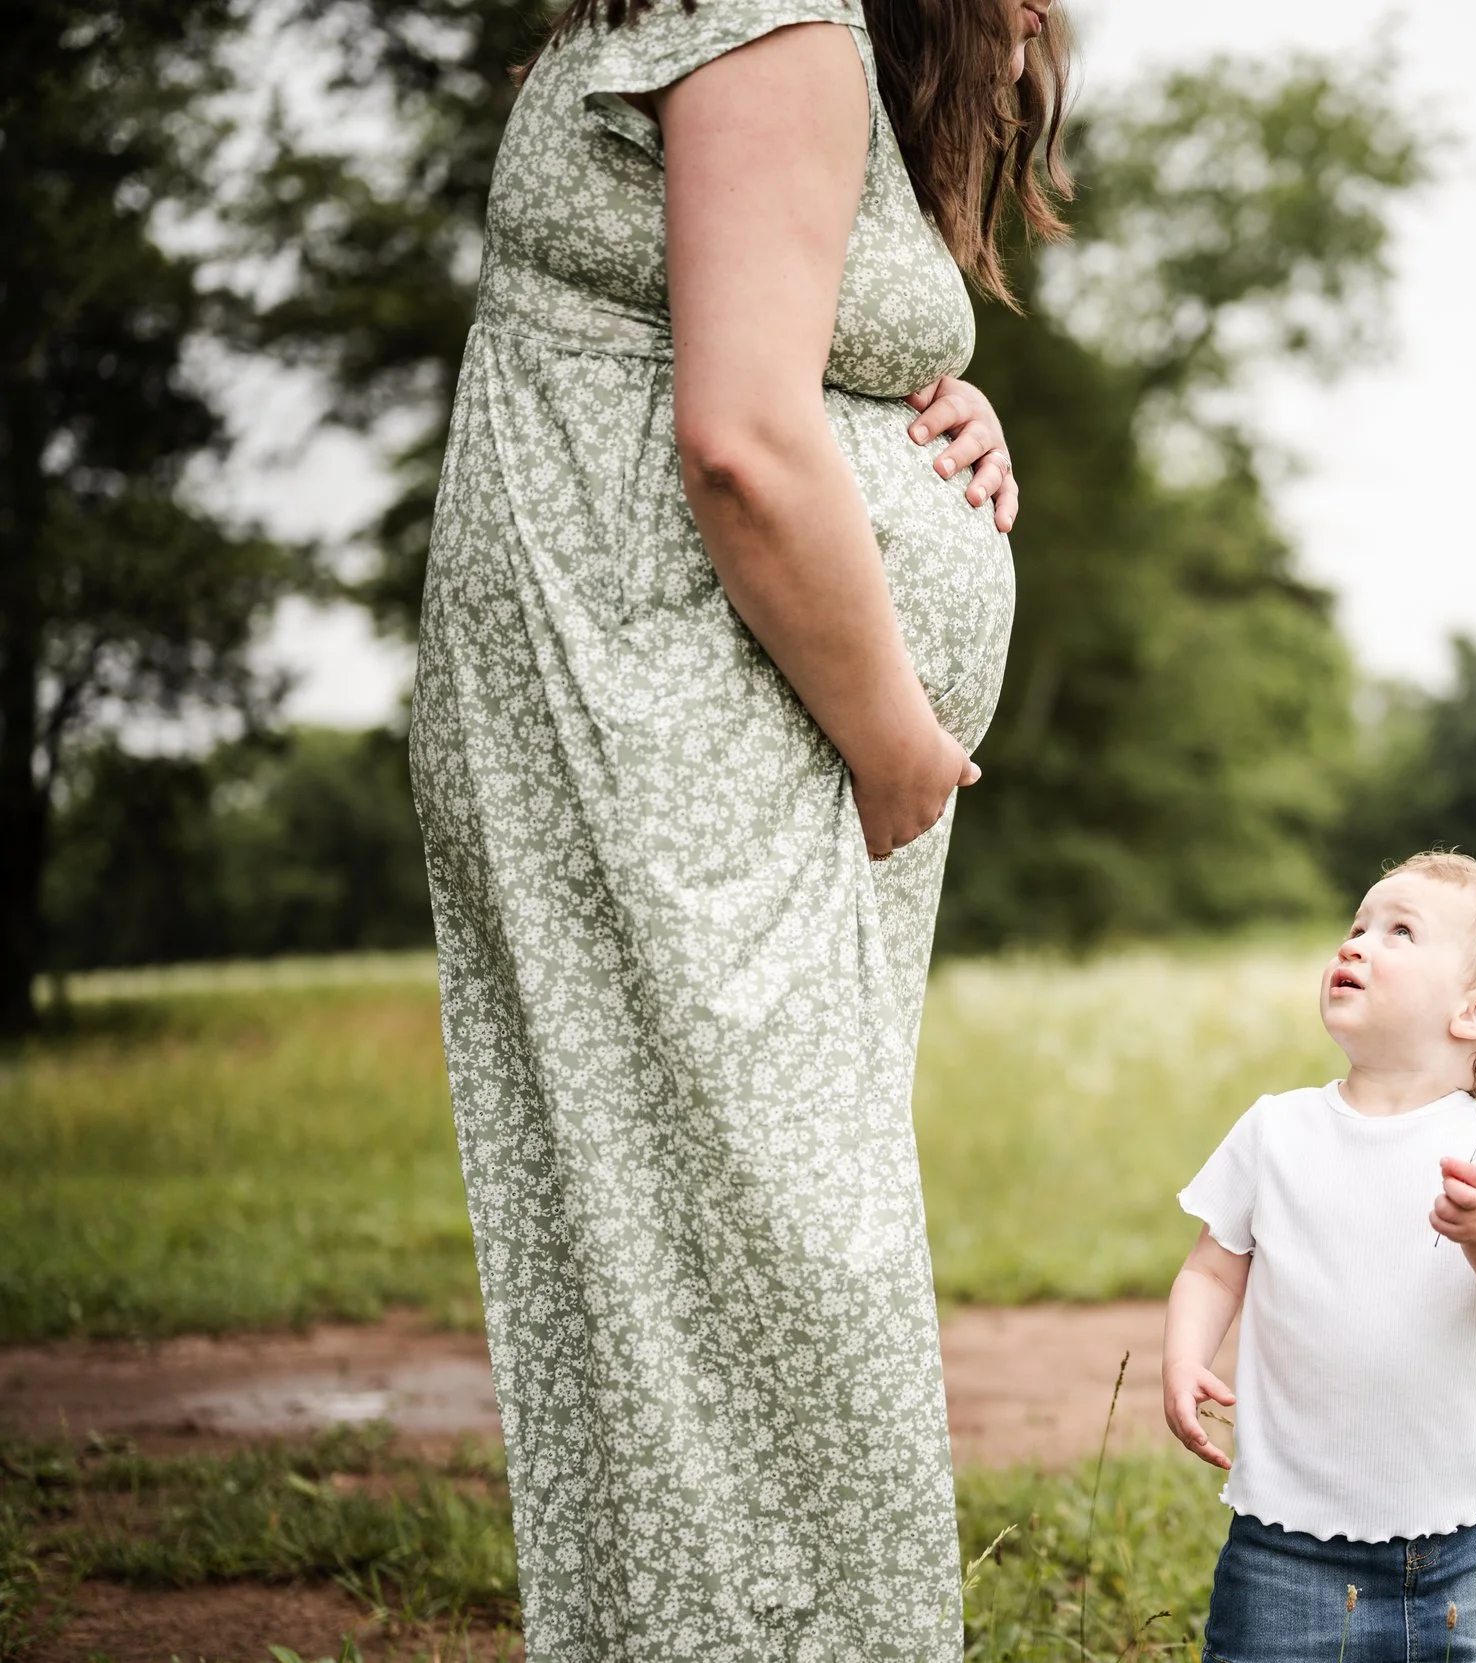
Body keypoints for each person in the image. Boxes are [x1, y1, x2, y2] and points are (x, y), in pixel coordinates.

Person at [405, 0, 1067, 1656]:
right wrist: (897, 737)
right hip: (682, 718)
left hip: (700, 721)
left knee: (727, 1255)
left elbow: (767, 360)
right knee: (775, 1258)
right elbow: (743, 445)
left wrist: (943, 412)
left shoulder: (762, 25)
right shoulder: (767, 12)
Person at [1161, 852, 1476, 1663]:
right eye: (1357, 926)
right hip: (1286, 1548)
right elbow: (1213, 1266)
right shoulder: (1276, 1129)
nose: (1356, 944)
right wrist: (1184, 1356)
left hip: (1457, 1549)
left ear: (1475, 1009)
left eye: (1399, 932)